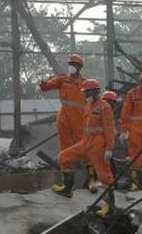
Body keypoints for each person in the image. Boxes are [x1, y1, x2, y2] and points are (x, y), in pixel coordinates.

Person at [54, 79, 117, 217]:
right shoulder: (87, 106)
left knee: (104, 176)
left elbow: (109, 129)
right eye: (85, 92)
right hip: (85, 142)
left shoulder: (104, 107)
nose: (85, 95)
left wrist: (109, 149)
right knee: (63, 157)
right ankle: (68, 188)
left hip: (98, 145)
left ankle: (110, 207)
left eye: (87, 92)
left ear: (95, 92)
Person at [39, 54, 99, 193]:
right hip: (64, 118)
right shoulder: (62, 79)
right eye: (70, 63)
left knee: (86, 148)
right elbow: (46, 87)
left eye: (74, 64)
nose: (71, 66)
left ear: (79, 67)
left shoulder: (85, 83)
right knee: (65, 151)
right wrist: (43, 82)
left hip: (80, 119)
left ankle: (93, 182)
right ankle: (68, 186)